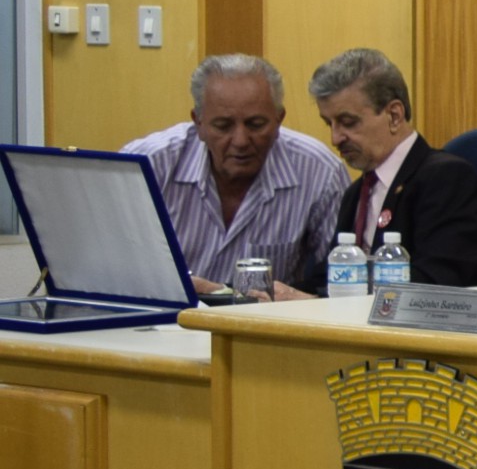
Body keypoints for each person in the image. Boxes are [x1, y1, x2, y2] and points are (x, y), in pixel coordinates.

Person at [121, 54, 346, 295]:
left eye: (256, 124)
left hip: (262, 327)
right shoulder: (147, 164)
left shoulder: (320, 172)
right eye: (223, 126)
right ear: (198, 123)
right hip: (161, 324)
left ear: (279, 120)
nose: (240, 141)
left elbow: (342, 287)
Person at [305, 48, 477, 288]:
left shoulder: (446, 179)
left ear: (394, 115)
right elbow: (329, 278)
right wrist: (279, 296)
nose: (335, 138)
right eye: (328, 123)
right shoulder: (356, 193)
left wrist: (326, 296)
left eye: (348, 122)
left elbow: (439, 280)